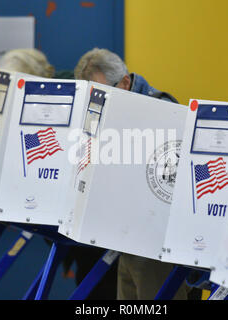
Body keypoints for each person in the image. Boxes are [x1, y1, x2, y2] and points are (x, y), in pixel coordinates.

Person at [73, 48, 188, 300]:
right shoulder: (112, 109)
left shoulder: (161, 109)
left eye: (104, 93)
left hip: (155, 238)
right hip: (125, 234)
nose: (99, 102)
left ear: (125, 82)